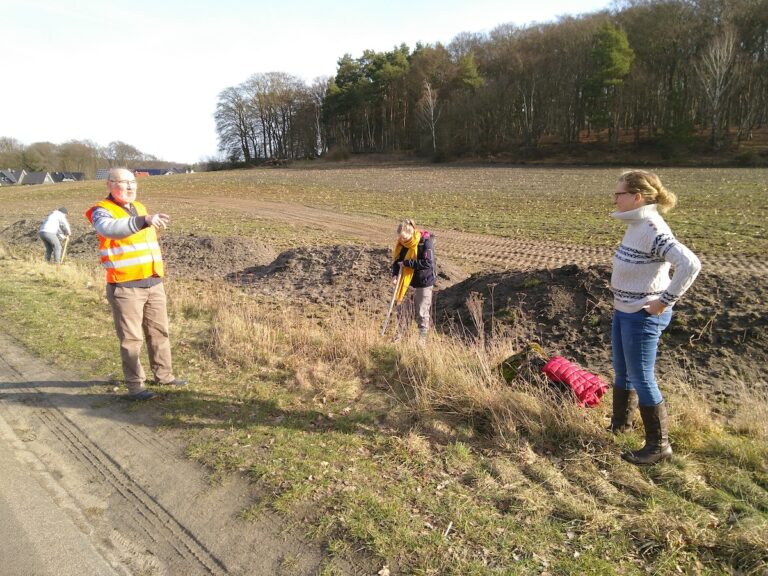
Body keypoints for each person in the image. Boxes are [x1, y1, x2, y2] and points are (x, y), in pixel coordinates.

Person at [609, 170, 701, 465]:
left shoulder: (652, 227)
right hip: (624, 311)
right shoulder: (636, 225)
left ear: (637, 197)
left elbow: (689, 264)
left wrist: (663, 302)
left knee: (642, 377)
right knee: (623, 373)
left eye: (619, 193)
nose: (614, 198)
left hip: (642, 316)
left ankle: (658, 446)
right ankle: (620, 425)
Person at [85, 168, 186, 400]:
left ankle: (164, 376)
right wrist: (144, 220)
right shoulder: (102, 211)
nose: (130, 187)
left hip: (153, 282)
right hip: (125, 285)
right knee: (131, 339)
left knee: (159, 332)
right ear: (110, 185)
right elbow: (108, 229)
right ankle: (135, 386)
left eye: (133, 182)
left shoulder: (139, 208)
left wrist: (145, 218)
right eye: (123, 182)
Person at [391, 219, 436, 344]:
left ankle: (422, 340)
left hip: (423, 281)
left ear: (411, 233)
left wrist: (408, 263)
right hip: (406, 282)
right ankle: (399, 335)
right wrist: (395, 274)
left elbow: (428, 263)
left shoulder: (425, 243)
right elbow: (397, 260)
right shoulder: (402, 244)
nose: (403, 241)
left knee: (421, 311)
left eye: (405, 238)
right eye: (400, 238)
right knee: (401, 309)